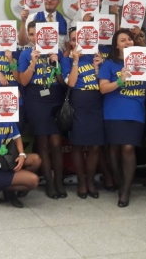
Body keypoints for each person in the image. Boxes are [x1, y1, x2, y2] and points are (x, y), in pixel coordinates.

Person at [98, 29, 146, 207]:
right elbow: (103, 88)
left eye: (130, 40)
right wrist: (120, 81)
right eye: (123, 40)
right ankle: (120, 182)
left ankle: (125, 190)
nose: (127, 43)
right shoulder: (109, 64)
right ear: (116, 45)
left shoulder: (143, 61)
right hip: (113, 111)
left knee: (127, 148)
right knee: (114, 148)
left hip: (135, 111)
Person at [19, 21, 66, 199]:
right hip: (35, 99)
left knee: (56, 143)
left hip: (54, 97)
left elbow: (63, 81)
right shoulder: (25, 54)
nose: (37, 37)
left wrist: (56, 64)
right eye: (33, 34)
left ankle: (59, 182)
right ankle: (49, 183)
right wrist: (33, 62)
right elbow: (23, 81)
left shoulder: (58, 53)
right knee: (44, 143)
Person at [61, 27, 104, 199]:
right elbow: (71, 83)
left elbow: (102, 82)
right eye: (73, 39)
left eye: (78, 38)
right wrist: (75, 61)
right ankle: (81, 181)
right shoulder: (66, 60)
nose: (76, 42)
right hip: (78, 102)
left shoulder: (97, 57)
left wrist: (97, 67)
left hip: (96, 102)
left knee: (94, 146)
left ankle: (91, 181)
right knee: (78, 144)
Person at [0, 103, 41, 208]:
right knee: (33, 181)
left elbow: (17, 137)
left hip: (7, 161)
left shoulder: (9, 114)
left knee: (36, 160)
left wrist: (21, 155)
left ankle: (9, 189)